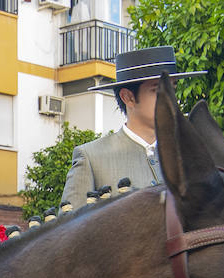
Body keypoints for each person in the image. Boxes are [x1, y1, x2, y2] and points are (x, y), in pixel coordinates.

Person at [59, 46, 205, 207]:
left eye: (173, 89)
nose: (171, 100)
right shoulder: (91, 158)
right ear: (128, 97)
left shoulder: (189, 153)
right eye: (159, 91)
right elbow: (70, 230)